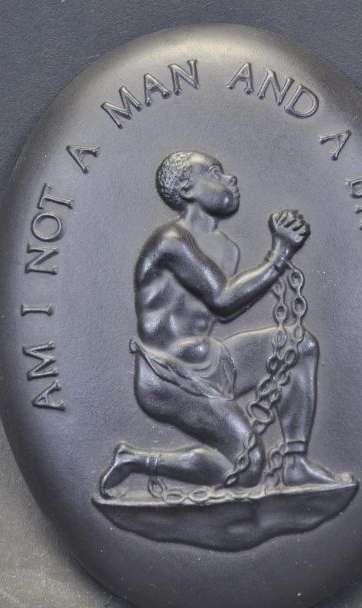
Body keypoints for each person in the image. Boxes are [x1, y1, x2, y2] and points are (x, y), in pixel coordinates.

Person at [100, 150, 337, 497]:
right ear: (187, 189)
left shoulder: (227, 249)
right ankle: (136, 459)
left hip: (211, 360)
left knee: (300, 347)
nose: (230, 179)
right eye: (215, 173)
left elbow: (223, 307)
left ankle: (295, 462)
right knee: (248, 466)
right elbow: (223, 298)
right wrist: (279, 253)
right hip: (168, 377)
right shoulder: (170, 242)